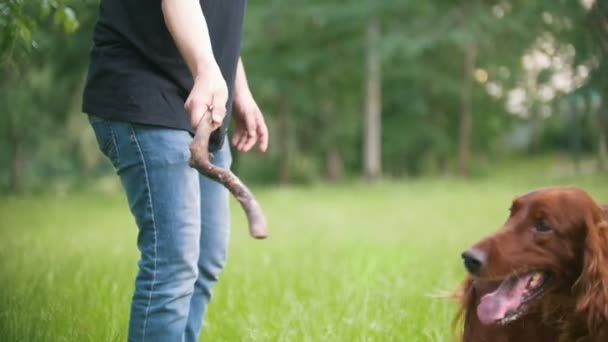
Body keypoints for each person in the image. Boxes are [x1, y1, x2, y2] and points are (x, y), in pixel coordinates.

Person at [82, 1, 268, 341]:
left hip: (203, 98)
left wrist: (239, 89)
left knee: (206, 258)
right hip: (143, 87)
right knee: (175, 264)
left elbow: (214, 14)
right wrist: (208, 71)